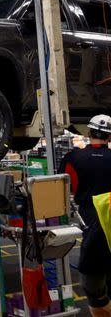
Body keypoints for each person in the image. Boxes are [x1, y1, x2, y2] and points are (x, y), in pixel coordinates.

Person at [61, 114, 111, 317]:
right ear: (109, 137)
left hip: (91, 223)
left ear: (88, 133)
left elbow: (64, 190)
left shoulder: (73, 158)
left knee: (93, 289)